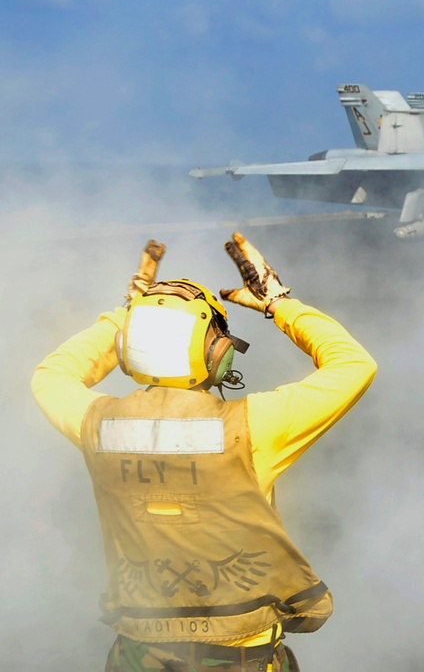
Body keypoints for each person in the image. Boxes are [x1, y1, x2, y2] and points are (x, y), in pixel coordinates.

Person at [31, 233, 377, 671]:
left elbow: (52, 374)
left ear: (127, 348)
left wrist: (127, 314)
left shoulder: (99, 426)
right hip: (243, 657)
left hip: (138, 657)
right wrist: (276, 301)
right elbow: (354, 363)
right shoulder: (253, 428)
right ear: (214, 353)